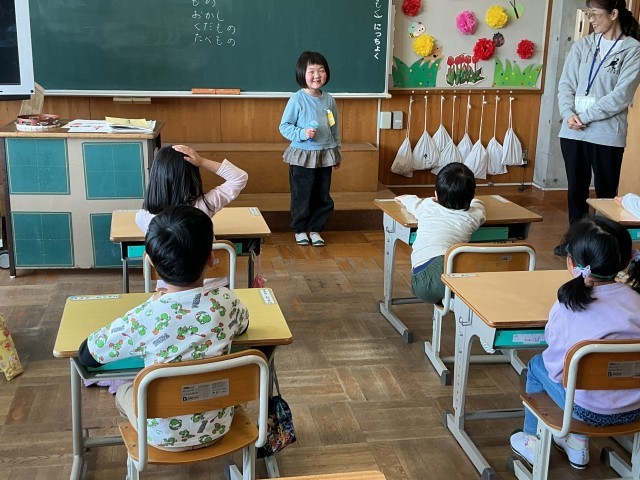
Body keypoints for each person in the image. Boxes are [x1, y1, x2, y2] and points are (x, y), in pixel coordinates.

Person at [78, 206, 249, 451]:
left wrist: (151, 305)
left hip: (160, 436)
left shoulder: (144, 316)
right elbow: (243, 325)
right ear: (211, 259)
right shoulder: (226, 301)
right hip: (218, 427)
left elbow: (87, 355)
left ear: (152, 264)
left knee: (126, 390)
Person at [511, 216, 640, 469]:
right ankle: (576, 442)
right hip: (635, 409)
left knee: (537, 366)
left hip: (585, 411)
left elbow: (556, 365)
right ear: (626, 262)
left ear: (570, 262)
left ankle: (533, 441)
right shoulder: (636, 300)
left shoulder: (567, 306)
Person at [554, 0, 640, 256]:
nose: (590, 19)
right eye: (589, 14)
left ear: (613, 14)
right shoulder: (582, 45)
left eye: (595, 14)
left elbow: (621, 95)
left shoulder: (633, 50)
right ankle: (575, 243)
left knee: (605, 194)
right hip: (573, 131)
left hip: (607, 134)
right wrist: (569, 114)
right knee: (576, 191)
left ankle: (604, 247)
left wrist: (586, 116)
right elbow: (566, 85)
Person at [136, 144, 248, 289]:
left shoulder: (142, 217)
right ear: (191, 177)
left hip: (169, 290)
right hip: (214, 287)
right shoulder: (203, 206)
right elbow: (239, 177)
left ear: (155, 178)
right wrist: (202, 161)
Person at [394, 163, 486, 304]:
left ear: (436, 194)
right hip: (454, 271)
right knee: (473, 269)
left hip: (423, 279)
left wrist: (405, 198)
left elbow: (412, 202)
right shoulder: (474, 215)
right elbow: (478, 204)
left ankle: (451, 302)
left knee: (456, 267)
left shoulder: (427, 206)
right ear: (472, 194)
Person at [279, 51, 341, 247]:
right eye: (311, 71)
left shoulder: (329, 99)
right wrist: (302, 133)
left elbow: (334, 127)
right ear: (301, 74)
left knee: (322, 196)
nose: (317, 75)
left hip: (325, 155)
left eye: (321, 70)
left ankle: (315, 229)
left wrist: (337, 151)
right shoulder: (296, 99)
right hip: (302, 156)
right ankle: (300, 230)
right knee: (302, 195)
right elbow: (284, 127)